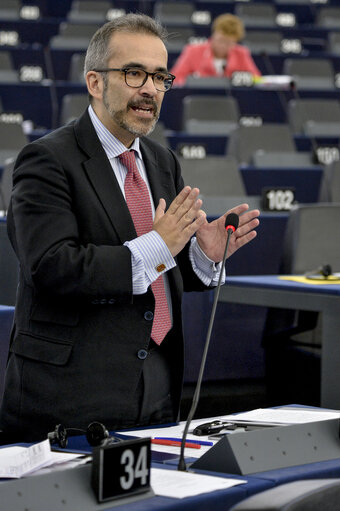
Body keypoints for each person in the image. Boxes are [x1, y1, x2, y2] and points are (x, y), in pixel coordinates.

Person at [0, 14, 259, 443]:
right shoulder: (46, 159)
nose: (151, 89)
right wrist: (159, 245)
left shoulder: (162, 161)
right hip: (69, 399)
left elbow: (164, 271)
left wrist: (201, 256)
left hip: (156, 387)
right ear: (95, 82)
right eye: (135, 73)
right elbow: (51, 267)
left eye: (160, 77)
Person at [170, 13, 261, 85]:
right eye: (220, 40)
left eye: (229, 43)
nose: (223, 45)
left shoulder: (241, 53)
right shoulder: (193, 51)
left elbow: (256, 79)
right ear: (214, 34)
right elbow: (176, 78)